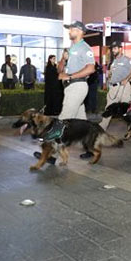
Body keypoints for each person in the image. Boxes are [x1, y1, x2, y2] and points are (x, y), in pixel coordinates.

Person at [37, 20, 96, 161]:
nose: (69, 31)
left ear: (80, 31)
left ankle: (51, 155)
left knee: (62, 122)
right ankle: (92, 149)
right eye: (69, 29)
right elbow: (59, 71)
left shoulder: (84, 48)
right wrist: (63, 60)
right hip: (70, 88)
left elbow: (91, 68)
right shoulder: (71, 48)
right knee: (82, 123)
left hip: (77, 86)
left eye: (72, 29)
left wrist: (70, 76)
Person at [99, 41, 131, 131]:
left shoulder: (127, 59)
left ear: (120, 48)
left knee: (127, 108)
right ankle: (102, 127)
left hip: (123, 87)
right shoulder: (113, 61)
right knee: (109, 107)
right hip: (113, 87)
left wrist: (127, 79)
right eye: (112, 48)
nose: (113, 50)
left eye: (115, 48)